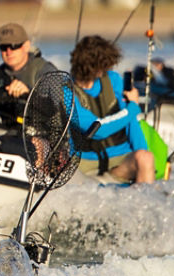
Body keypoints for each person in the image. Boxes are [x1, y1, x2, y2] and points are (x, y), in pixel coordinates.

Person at [65, 35, 154, 184]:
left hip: (120, 162)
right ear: (96, 68)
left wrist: (143, 155)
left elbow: (131, 123)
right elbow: (96, 129)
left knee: (145, 157)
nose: (107, 69)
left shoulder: (114, 79)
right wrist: (133, 107)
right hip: (84, 166)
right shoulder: (66, 92)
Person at [0, 23, 59, 101]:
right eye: (3, 47)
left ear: (26, 46)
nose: (8, 52)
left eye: (14, 46)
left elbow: (60, 108)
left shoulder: (46, 73)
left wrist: (28, 94)